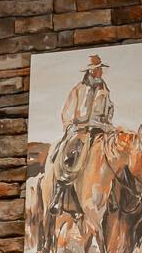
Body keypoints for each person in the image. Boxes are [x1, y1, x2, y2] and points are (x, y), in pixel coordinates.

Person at [49, 55, 114, 212]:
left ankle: (113, 196)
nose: (101, 71)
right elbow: (67, 111)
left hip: (101, 130)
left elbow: (110, 109)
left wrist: (108, 124)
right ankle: (59, 194)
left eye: (100, 68)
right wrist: (70, 125)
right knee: (70, 157)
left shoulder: (105, 90)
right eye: (98, 68)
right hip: (81, 130)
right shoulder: (78, 89)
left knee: (115, 155)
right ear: (91, 71)